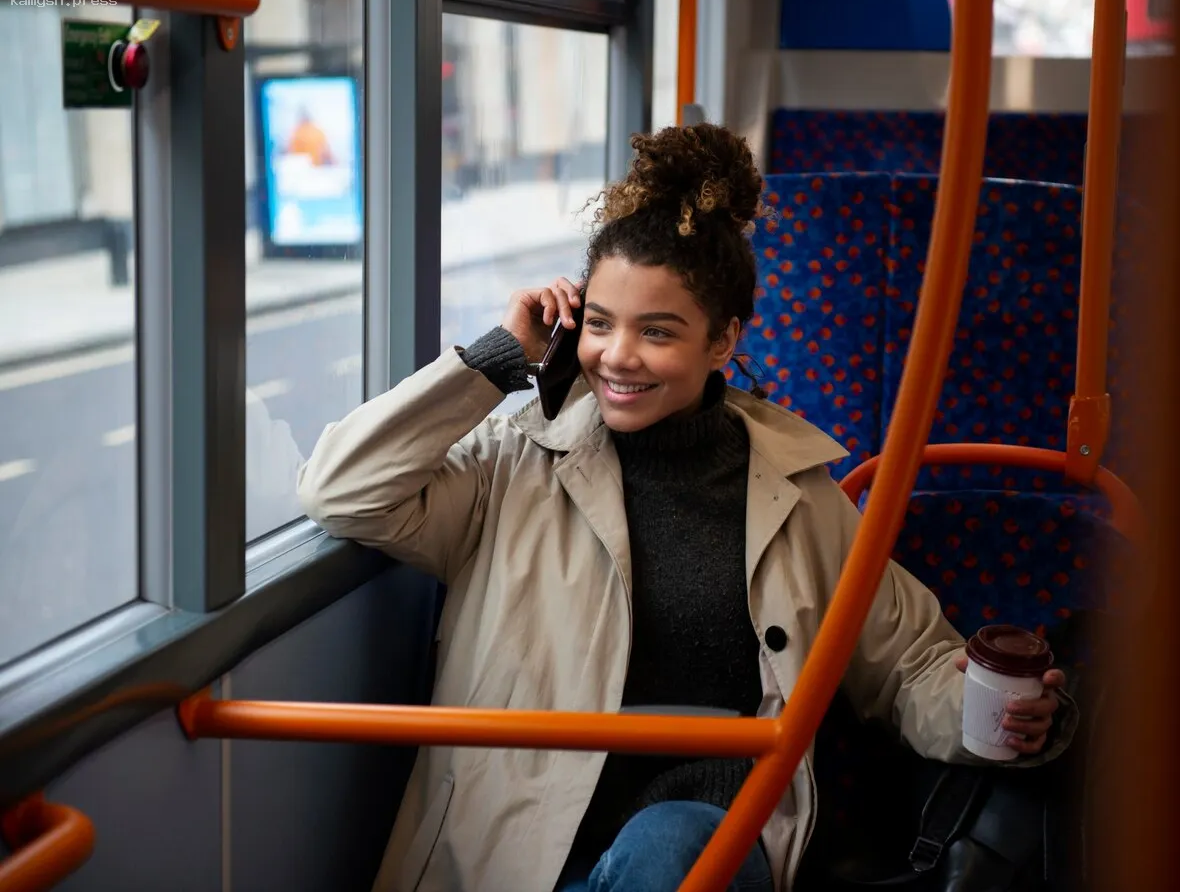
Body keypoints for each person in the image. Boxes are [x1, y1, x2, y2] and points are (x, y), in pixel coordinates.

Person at [297, 123, 1074, 892]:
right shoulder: (516, 463)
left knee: (671, 852)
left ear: (723, 340)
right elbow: (345, 490)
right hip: (518, 839)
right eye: (598, 323)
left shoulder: (797, 495)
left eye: (657, 332)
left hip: (702, 831)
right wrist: (499, 357)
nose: (617, 356)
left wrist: (1004, 719)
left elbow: (908, 665)